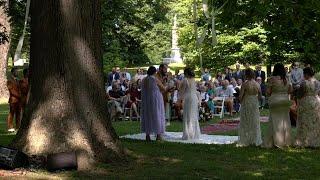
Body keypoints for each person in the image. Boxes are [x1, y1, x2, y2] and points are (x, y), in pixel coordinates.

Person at [264, 63, 292, 148]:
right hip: (285, 101)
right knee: (285, 121)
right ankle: (286, 141)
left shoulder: (272, 79)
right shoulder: (286, 79)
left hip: (275, 100)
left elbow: (268, 92)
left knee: (274, 121)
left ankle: (275, 142)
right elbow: (290, 90)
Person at [295, 67, 320, 147]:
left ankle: (304, 141)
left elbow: (299, 95)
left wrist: (297, 89)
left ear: (306, 74)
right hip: (316, 101)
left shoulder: (304, 83)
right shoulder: (318, 82)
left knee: (304, 121)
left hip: (306, 102)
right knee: (315, 121)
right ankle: (315, 141)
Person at [237, 68, 262, 147]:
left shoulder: (245, 84)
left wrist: (239, 101)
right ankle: (255, 139)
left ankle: (246, 139)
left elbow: (240, 96)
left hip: (247, 101)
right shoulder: (257, 84)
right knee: (254, 120)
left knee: (246, 120)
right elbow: (260, 96)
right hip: (254, 102)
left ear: (246, 75)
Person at [141, 66, 166, 141]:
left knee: (148, 115)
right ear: (154, 72)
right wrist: (165, 84)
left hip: (147, 99)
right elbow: (163, 88)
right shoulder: (155, 79)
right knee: (157, 114)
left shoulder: (144, 79)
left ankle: (147, 135)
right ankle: (158, 135)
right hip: (156, 98)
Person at [178, 67, 201, 140]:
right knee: (193, 115)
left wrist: (179, 99)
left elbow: (182, 91)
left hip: (188, 98)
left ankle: (188, 134)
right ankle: (194, 134)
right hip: (194, 98)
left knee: (188, 115)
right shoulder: (194, 80)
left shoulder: (185, 80)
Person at [7, 68, 21, 132]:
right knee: (12, 113)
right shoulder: (9, 81)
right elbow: (11, 91)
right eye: (16, 71)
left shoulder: (18, 80)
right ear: (13, 72)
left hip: (19, 100)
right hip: (13, 99)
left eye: (17, 71)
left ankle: (18, 127)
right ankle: (10, 127)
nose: (17, 73)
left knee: (18, 114)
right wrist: (19, 96)